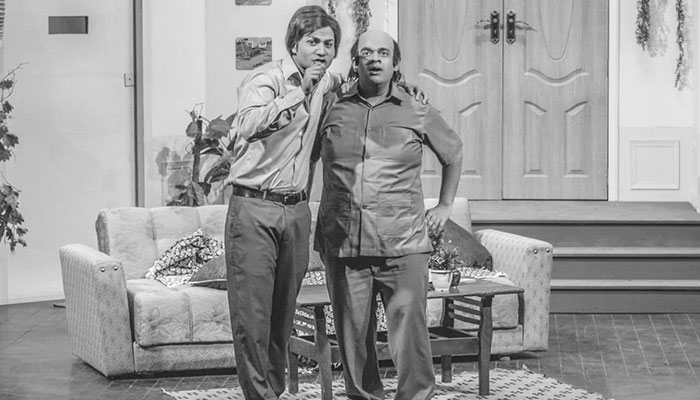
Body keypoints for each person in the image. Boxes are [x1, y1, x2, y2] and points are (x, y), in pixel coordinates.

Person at [225, 7, 426, 400]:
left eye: (328, 44)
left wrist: (406, 90)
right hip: (254, 208)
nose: (321, 50)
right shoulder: (266, 79)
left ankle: (273, 391)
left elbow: (366, 79)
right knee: (253, 318)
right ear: (293, 44)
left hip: (297, 211)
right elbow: (248, 125)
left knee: (283, 316)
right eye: (312, 42)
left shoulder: (328, 82)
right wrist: (298, 93)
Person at [311, 30, 464, 400]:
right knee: (352, 342)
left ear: (395, 63)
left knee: (411, 340)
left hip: (403, 244)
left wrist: (444, 206)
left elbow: (453, 153)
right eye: (366, 53)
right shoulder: (330, 105)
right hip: (344, 242)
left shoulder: (416, 108)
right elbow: (304, 153)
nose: (374, 59)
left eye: (383, 53)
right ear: (355, 62)